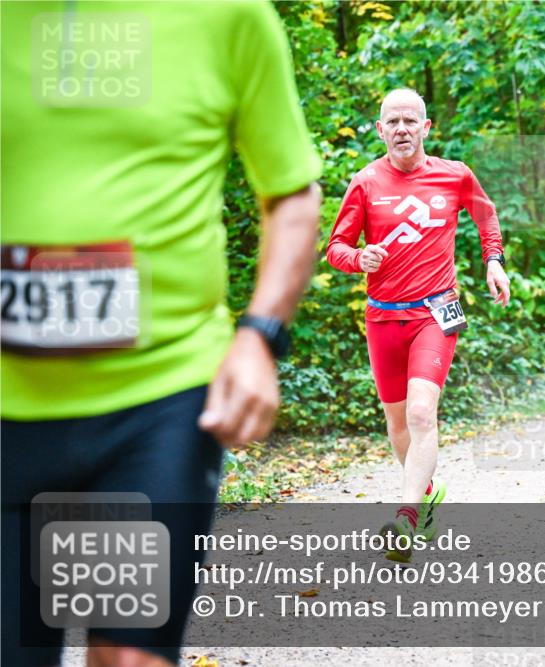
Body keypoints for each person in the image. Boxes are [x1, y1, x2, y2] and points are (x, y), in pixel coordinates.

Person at [1, 2, 322, 665]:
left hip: (156, 401)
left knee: (128, 654)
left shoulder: (229, 15)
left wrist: (260, 334)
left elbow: (290, 190)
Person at [326, 88, 510, 561]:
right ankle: (426, 493)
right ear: (380, 129)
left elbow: (486, 216)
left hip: (436, 311)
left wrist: (494, 262)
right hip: (383, 316)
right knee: (397, 425)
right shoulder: (365, 182)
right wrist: (357, 258)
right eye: (393, 121)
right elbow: (336, 248)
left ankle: (405, 518)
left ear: (426, 127)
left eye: (411, 120)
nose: (402, 129)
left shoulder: (454, 176)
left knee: (422, 413)